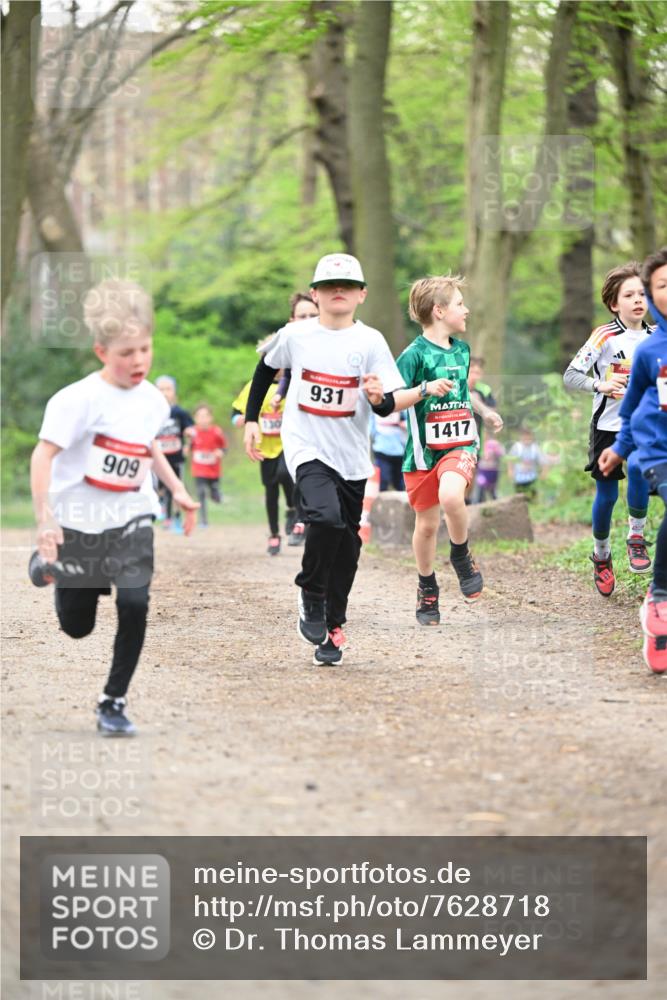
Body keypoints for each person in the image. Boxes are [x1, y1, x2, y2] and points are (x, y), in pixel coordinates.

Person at [28, 279, 198, 735]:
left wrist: (177, 489)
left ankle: (114, 701)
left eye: (145, 349)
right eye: (126, 353)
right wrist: (45, 520)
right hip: (79, 521)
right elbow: (43, 456)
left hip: (131, 514)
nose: (139, 360)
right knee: (77, 625)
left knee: (136, 601)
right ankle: (48, 564)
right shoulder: (76, 400)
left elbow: (146, 445)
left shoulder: (152, 400)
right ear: (101, 352)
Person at [243, 253, 406, 666]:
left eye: (347, 285)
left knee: (348, 547)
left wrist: (377, 398)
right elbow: (264, 369)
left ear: (361, 294)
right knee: (325, 518)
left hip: (352, 456)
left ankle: (333, 626)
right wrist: (251, 421)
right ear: (315, 294)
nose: (338, 291)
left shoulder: (370, 341)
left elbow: (388, 403)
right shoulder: (296, 335)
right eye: (329, 285)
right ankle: (311, 592)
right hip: (306, 446)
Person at [395, 275, 504, 626]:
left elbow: (462, 391)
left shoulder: (462, 350)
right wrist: (424, 389)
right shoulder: (412, 356)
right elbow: (392, 401)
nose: (466, 309)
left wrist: (483, 411)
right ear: (439, 311)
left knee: (452, 496)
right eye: (459, 303)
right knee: (426, 526)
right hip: (423, 452)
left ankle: (460, 553)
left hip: (460, 443)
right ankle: (427, 585)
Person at [563, 262, 653, 596]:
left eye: (642, 293)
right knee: (608, 495)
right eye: (629, 295)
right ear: (614, 303)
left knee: (641, 469)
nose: (638, 300)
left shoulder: (657, 337)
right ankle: (601, 555)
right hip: (607, 426)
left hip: (643, 424)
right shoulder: (604, 336)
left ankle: (636, 537)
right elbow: (571, 375)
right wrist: (600, 385)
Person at [599, 247, 667, 673]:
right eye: (662, 285)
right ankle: (659, 601)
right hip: (657, 449)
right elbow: (632, 407)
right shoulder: (648, 350)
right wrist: (620, 447)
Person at [232, 346, 298, 556]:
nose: (277, 367)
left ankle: (292, 509)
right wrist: (239, 420)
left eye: (281, 362)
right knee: (270, 491)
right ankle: (274, 534)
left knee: (285, 474)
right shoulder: (256, 385)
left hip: (287, 445)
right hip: (264, 446)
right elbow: (235, 412)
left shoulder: (293, 384)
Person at [154, 375, 193, 533]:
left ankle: (176, 518)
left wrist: (189, 441)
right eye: (161, 389)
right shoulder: (152, 412)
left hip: (176, 457)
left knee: (177, 488)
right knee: (159, 488)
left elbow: (189, 428)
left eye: (168, 389)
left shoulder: (179, 413)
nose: (164, 393)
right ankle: (164, 513)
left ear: (174, 392)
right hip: (158, 459)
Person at [186, 404, 227, 527]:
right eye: (199, 416)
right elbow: (190, 446)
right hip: (199, 469)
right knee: (201, 492)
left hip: (213, 470)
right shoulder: (193, 432)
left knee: (214, 496)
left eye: (205, 416)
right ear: (195, 418)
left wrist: (220, 452)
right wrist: (187, 448)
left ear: (210, 418)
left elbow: (224, 447)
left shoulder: (216, 432)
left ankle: (217, 494)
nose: (203, 419)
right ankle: (203, 520)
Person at [506, 426, 549, 501]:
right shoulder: (517, 447)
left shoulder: (535, 448)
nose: (526, 438)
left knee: (532, 498)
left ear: (532, 436)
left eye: (529, 436)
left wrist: (544, 471)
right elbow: (510, 460)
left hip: (532, 478)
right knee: (519, 499)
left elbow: (543, 461)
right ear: (521, 437)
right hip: (519, 478)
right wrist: (510, 470)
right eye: (524, 436)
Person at [369, 410, 407, 491]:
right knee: (383, 482)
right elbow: (371, 428)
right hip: (381, 450)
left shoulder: (404, 410)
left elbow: (410, 422)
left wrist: (404, 425)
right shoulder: (374, 410)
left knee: (401, 484)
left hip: (400, 451)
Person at [475, 437, 505, 502]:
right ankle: (480, 501)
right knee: (481, 489)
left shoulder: (496, 446)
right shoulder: (482, 445)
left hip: (492, 472)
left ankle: (494, 501)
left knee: (492, 490)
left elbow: (500, 455)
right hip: (484, 471)